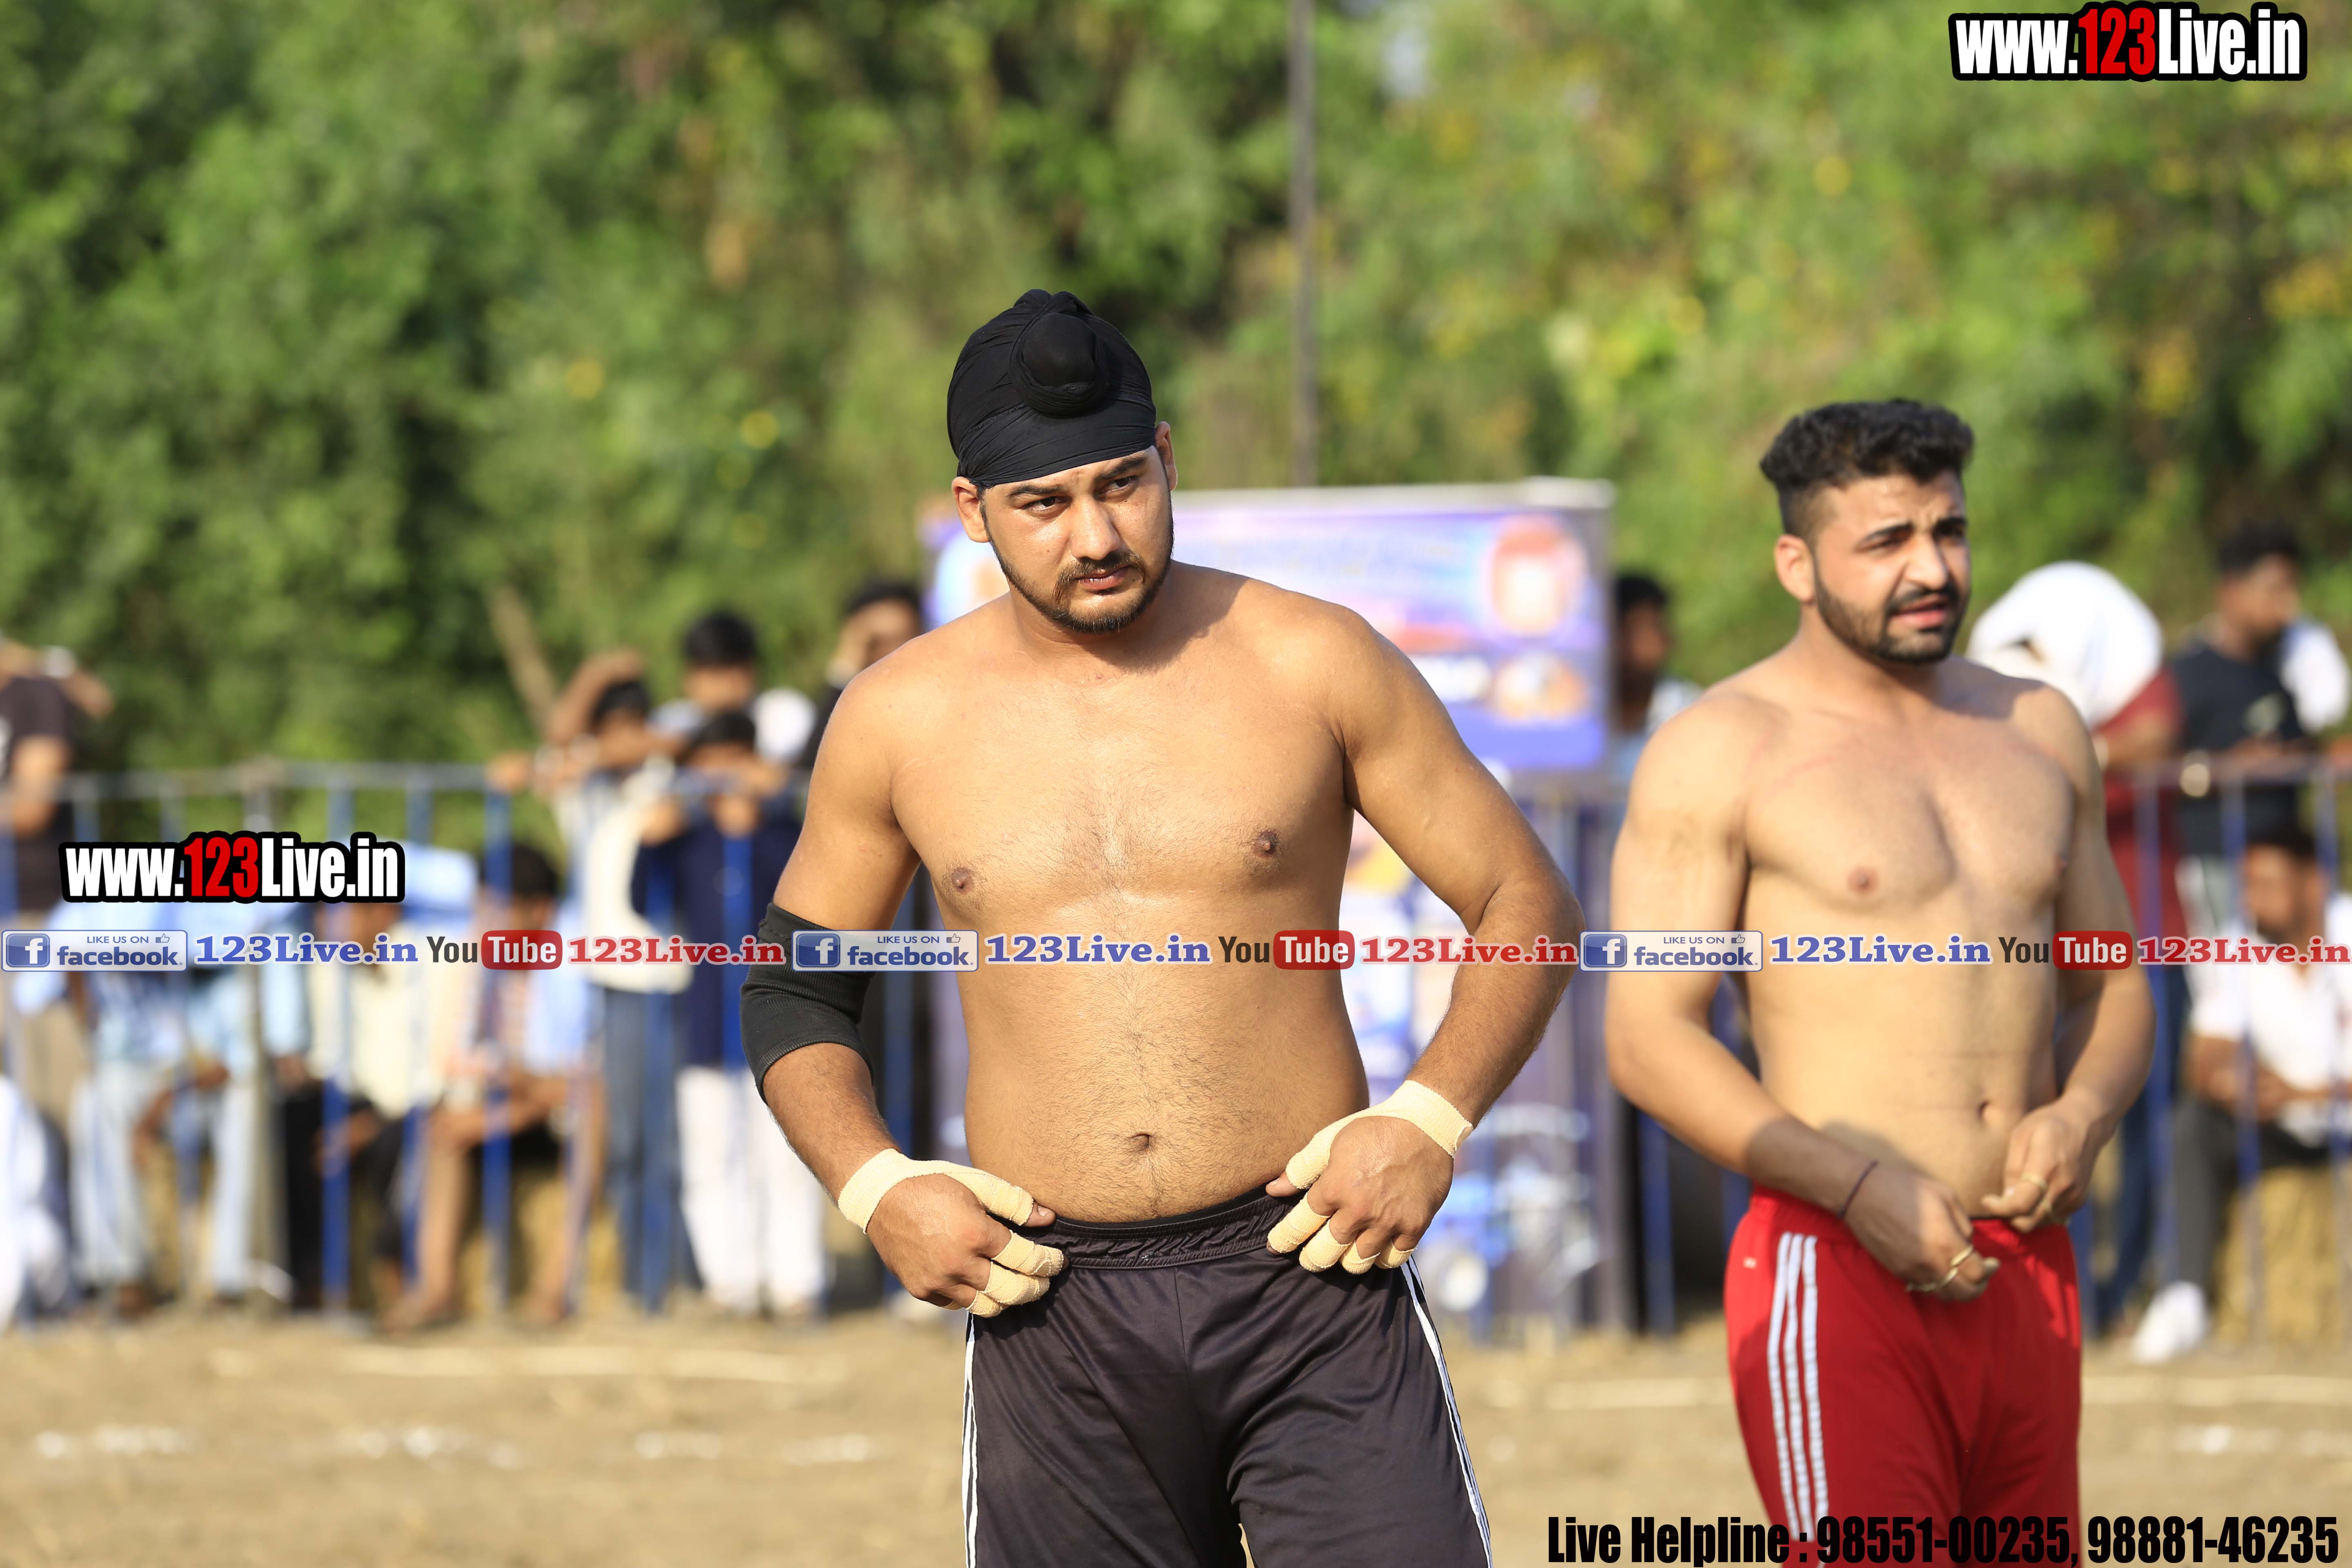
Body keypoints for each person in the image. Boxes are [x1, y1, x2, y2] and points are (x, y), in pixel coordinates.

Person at [745, 288, 1577, 1566]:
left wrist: (1430, 1118)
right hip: (1049, 1305)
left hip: (1313, 1275)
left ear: (1168, 457)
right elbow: (796, 986)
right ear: (972, 510)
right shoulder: (899, 716)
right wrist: (877, 1186)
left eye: (1122, 484)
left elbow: (1525, 898)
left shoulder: (1312, 658)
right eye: (1045, 504)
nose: (1097, 535)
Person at [1607, 399, 2152, 1524]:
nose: (1932, 568)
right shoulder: (1717, 749)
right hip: (1836, 1261)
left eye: (1948, 531)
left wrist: (2081, 1113)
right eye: (1887, 541)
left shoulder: (2040, 726)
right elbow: (1649, 1036)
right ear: (1795, 565)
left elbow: (2110, 979)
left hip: (2026, 1260)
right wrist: (1854, 1188)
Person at [2132, 825, 2352, 1362]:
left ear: (2314, 882)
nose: (2251, 899)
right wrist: (2234, 1081)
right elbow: (2205, 1055)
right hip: (2279, 1129)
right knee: (2194, 1125)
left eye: (2266, 884)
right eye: (2245, 885)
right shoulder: (2237, 944)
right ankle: (2184, 1296)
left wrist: (2305, 1093)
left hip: (2336, 1115)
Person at [634, 711, 822, 1317]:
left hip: (783, 1018)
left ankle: (794, 1283)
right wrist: (650, 842)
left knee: (787, 1155)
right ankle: (729, 1282)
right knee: (711, 1155)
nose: (721, 776)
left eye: (733, 760)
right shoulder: (689, 838)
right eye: (709, 763)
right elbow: (643, 901)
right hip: (708, 1020)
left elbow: (814, 899)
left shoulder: (785, 832)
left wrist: (768, 818)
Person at [388, 844, 599, 1330]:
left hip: (554, 1119)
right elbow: (456, 1060)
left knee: (593, 1108)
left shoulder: (579, 962)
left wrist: (508, 1109)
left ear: (540, 911)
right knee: (444, 1121)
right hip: (507, 1106)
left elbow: (583, 1081)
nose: (485, 921)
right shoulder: (474, 958)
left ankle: (554, 1290)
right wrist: (504, 1096)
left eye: (498, 908)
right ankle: (436, 1290)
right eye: (481, 907)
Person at [2170, 522, 2309, 935]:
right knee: (2223, 973)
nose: (2288, 606)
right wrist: (2226, 769)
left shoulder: (2275, 675)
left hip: (2282, 875)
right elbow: (2156, 766)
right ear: (2231, 589)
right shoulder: (2185, 677)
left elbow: (2297, 749)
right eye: (2275, 589)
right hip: (2215, 868)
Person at [649, 611, 816, 768]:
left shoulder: (784, 712)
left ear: (753, 671)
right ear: (688, 677)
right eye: (713, 672)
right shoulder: (671, 721)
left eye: (730, 669)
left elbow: (792, 769)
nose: (723, 686)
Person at [794, 578, 924, 770]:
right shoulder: (849, 709)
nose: (893, 653)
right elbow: (812, 768)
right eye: (876, 643)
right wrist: (844, 672)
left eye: (904, 640)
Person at [1603, 572, 1700, 783]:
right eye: (1634, 629)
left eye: (1655, 626)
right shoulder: (1568, 715)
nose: (1653, 642)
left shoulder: (1692, 710)